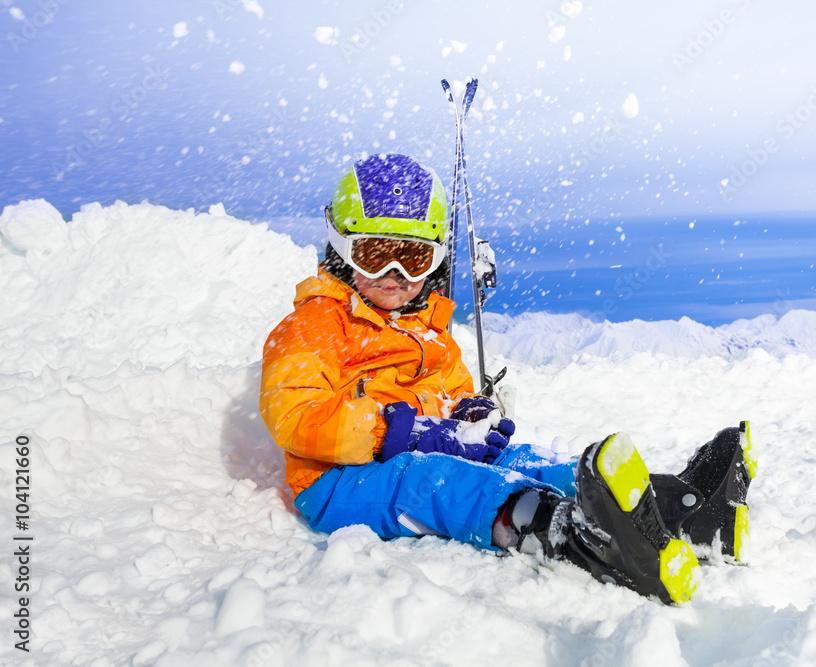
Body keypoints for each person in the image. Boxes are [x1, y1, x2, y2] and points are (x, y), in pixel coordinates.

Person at [259, 153, 755, 605]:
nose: (395, 275)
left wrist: (470, 414)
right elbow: (296, 416)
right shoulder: (314, 327)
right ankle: (564, 536)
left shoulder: (428, 330)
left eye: (412, 260)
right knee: (440, 482)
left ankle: (680, 508)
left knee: (522, 459)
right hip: (338, 481)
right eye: (375, 255)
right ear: (342, 250)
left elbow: (452, 388)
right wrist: (397, 431)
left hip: (422, 446)